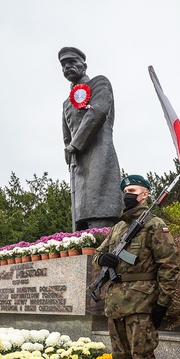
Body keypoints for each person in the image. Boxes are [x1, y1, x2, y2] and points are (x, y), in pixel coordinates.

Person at [94, 175, 180, 359]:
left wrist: (162, 305)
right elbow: (99, 254)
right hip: (116, 302)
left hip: (142, 302)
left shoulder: (155, 225)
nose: (128, 195)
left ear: (145, 195)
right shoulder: (119, 227)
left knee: (142, 358)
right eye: (125, 191)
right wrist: (103, 259)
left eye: (133, 190)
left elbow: (169, 266)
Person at [59, 46, 123, 231]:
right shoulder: (66, 103)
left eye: (71, 62)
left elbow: (96, 113)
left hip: (99, 157)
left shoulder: (99, 84)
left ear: (84, 65)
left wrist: (74, 145)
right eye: (63, 65)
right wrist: (69, 149)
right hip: (78, 166)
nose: (67, 67)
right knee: (81, 220)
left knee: (99, 211)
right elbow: (66, 134)